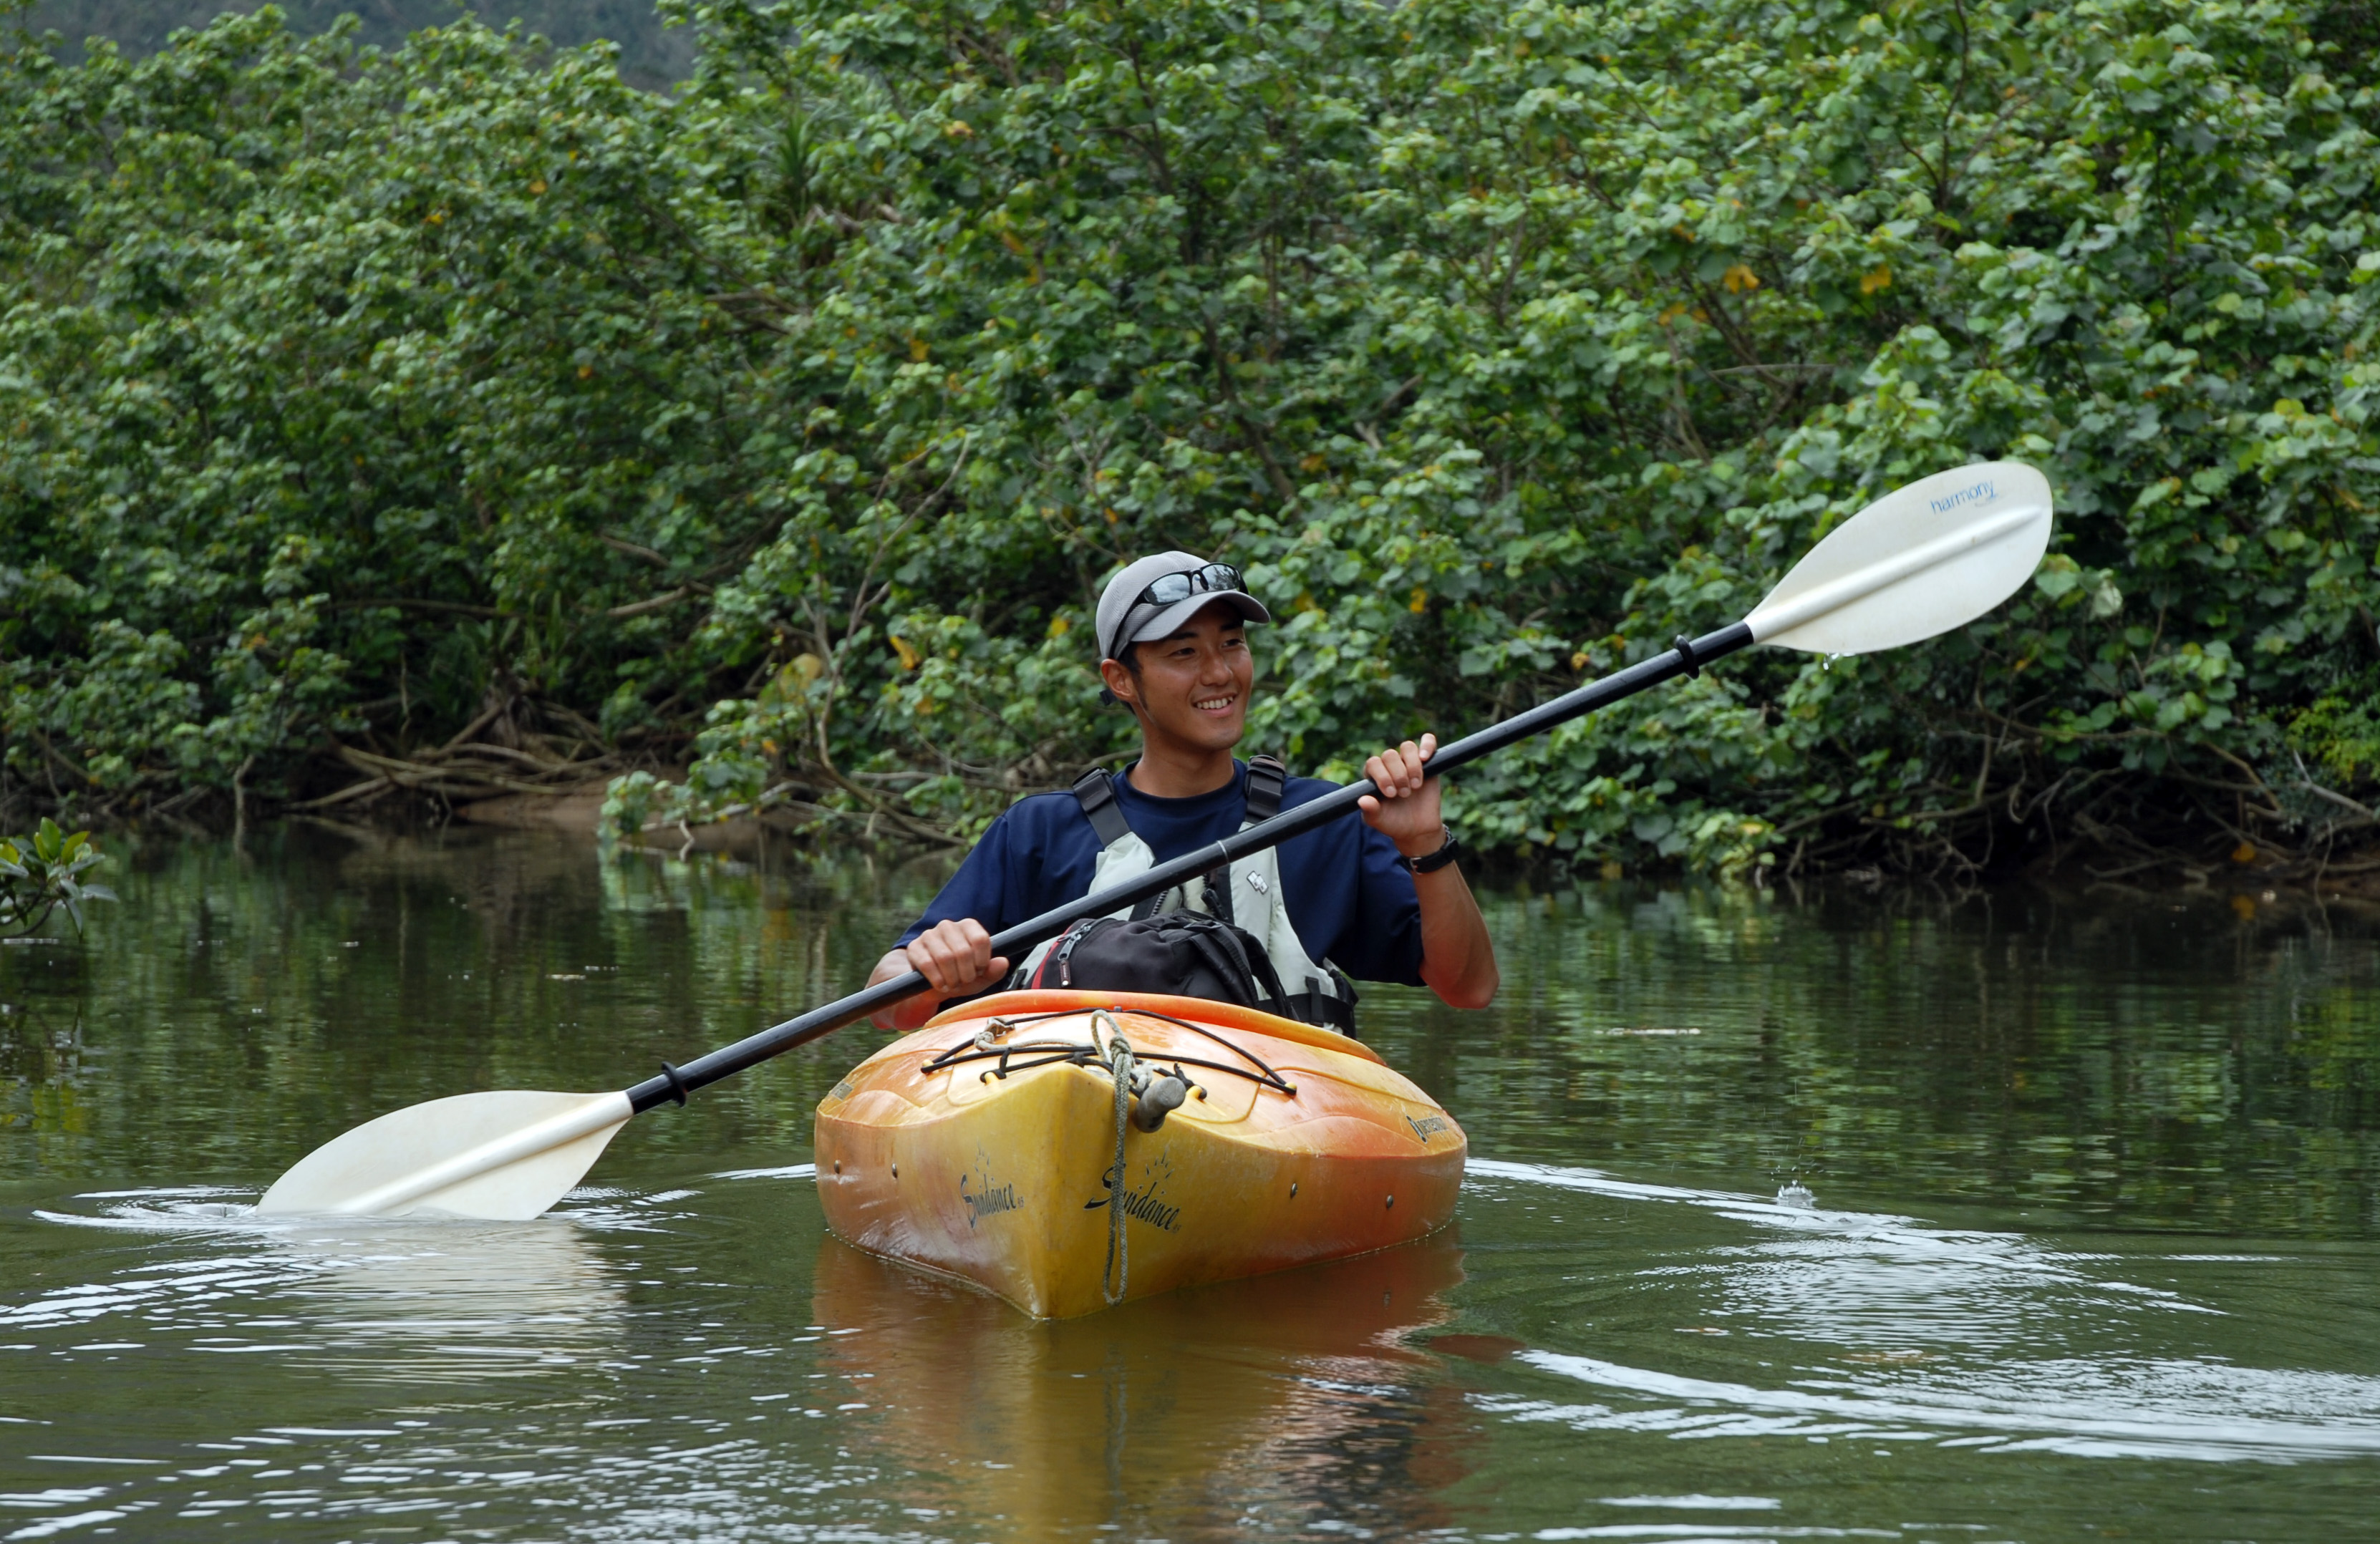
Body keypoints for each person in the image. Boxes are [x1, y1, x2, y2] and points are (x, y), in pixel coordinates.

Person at [866, 551, 1499, 1031]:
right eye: (1184, 653)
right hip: (1080, 1098)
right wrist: (934, 969)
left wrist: (1427, 845)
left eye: (1232, 644)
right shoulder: (1039, 832)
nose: (1220, 672)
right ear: (1121, 679)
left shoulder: (1325, 819)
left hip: (1271, 1118)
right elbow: (887, 998)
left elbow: (1469, 987)